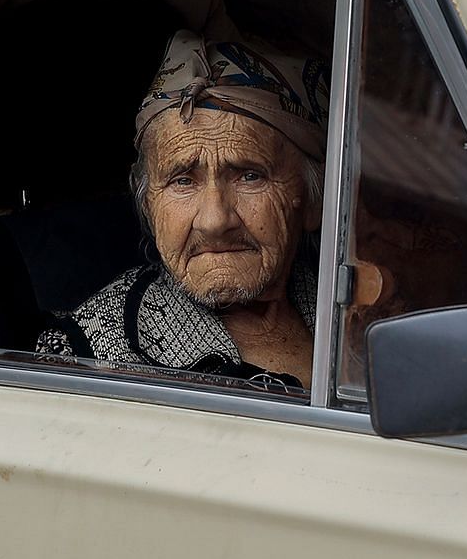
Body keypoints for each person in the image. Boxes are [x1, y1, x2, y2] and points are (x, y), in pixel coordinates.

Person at [36, 31, 331, 390]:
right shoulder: (84, 357)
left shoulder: (359, 312)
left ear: (313, 201)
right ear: (149, 207)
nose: (215, 221)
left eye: (250, 176)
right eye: (182, 181)